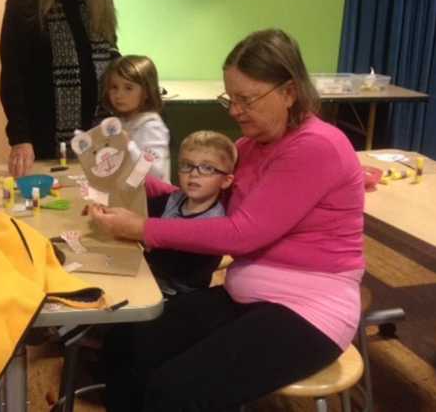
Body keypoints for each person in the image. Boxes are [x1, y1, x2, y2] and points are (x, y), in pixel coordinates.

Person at [89, 29, 365, 411]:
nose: (235, 111)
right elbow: (196, 198)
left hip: (309, 311)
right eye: (230, 98)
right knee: (128, 339)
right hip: (249, 296)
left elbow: (241, 234)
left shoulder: (316, 146)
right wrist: (134, 182)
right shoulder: (248, 147)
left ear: (289, 92)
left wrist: (139, 228)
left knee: (172, 389)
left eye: (246, 99)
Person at [0, 0, 120, 178]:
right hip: (45, 131)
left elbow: (109, 49)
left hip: (97, 129)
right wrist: (20, 138)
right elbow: (12, 72)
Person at [145, 130, 236, 295]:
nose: (194, 174)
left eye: (207, 168)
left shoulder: (216, 223)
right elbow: (142, 213)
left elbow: (185, 271)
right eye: (187, 165)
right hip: (150, 279)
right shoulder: (174, 199)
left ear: (226, 181)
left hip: (179, 294)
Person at [103, 55, 170, 181]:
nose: (119, 95)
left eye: (128, 88)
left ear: (146, 92)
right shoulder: (122, 122)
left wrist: (128, 145)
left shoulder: (152, 126)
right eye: (114, 87)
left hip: (151, 199)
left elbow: (155, 173)